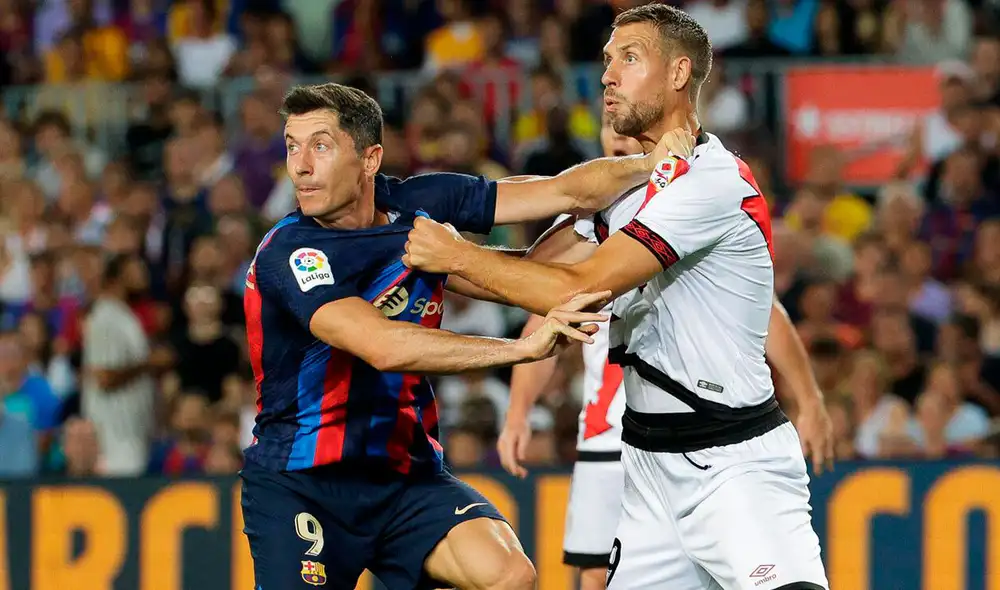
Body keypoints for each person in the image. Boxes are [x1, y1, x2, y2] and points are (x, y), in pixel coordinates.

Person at [402, 5, 833, 590]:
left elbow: (577, 287)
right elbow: (526, 276)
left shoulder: (709, 180)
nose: (607, 74)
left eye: (629, 59)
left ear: (680, 74)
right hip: (648, 470)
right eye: (607, 60)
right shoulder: (631, 186)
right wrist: (400, 246)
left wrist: (452, 254)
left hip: (733, 468)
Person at [240, 81, 677, 590]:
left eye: (320, 145)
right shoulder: (291, 253)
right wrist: (519, 348)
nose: (299, 166)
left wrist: (654, 167)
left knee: (509, 575)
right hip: (304, 484)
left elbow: (564, 192)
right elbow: (383, 346)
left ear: (370, 158)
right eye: (292, 146)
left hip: (406, 477)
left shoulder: (421, 206)